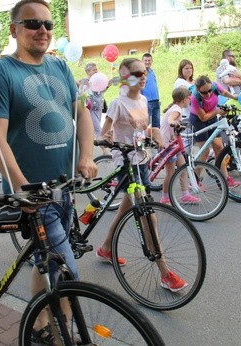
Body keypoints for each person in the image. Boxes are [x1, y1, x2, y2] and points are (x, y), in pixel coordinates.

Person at [0, 1, 96, 342]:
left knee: (43, 259)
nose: (42, 30)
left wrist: (86, 156)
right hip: (32, 192)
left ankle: (38, 323)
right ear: (14, 29)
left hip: (63, 186)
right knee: (67, 271)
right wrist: (22, 186)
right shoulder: (0, 74)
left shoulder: (60, 68)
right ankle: (63, 334)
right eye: (32, 23)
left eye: (47, 24)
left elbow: (82, 114)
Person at [97, 57, 188, 292]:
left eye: (144, 71)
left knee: (127, 206)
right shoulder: (118, 103)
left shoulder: (145, 99)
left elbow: (143, 128)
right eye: (136, 72)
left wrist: (155, 133)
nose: (142, 74)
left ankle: (106, 248)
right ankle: (165, 273)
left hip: (141, 160)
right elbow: (105, 132)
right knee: (148, 215)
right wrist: (107, 139)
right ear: (125, 76)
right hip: (126, 163)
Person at [190, 75, 240, 188]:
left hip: (211, 117)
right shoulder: (195, 97)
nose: (208, 94)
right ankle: (195, 180)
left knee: (219, 148)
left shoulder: (214, 86)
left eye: (209, 90)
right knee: (205, 152)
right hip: (199, 120)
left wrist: (234, 97)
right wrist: (217, 111)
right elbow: (203, 117)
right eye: (204, 92)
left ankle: (226, 179)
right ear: (198, 90)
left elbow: (224, 93)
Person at [159, 86, 200, 205]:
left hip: (174, 144)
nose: (190, 100)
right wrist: (173, 123)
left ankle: (185, 194)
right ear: (183, 99)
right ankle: (165, 197)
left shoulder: (176, 107)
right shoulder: (177, 109)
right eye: (189, 98)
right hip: (167, 145)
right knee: (170, 172)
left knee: (183, 168)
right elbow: (171, 119)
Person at [77, 62, 110, 155]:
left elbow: (101, 91)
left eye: (96, 69)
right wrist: (86, 104)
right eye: (94, 70)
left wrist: (107, 86)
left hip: (98, 108)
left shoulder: (98, 80)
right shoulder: (85, 82)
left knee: (93, 130)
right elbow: (81, 95)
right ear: (88, 71)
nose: (96, 71)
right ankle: (105, 150)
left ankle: (87, 150)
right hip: (90, 109)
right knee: (98, 129)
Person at [140, 52, 161, 128]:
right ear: (142, 61)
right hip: (147, 101)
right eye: (145, 60)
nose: (147, 62)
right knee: (145, 124)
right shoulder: (140, 73)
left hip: (156, 101)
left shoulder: (152, 72)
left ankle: (156, 139)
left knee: (157, 124)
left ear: (152, 61)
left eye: (149, 60)